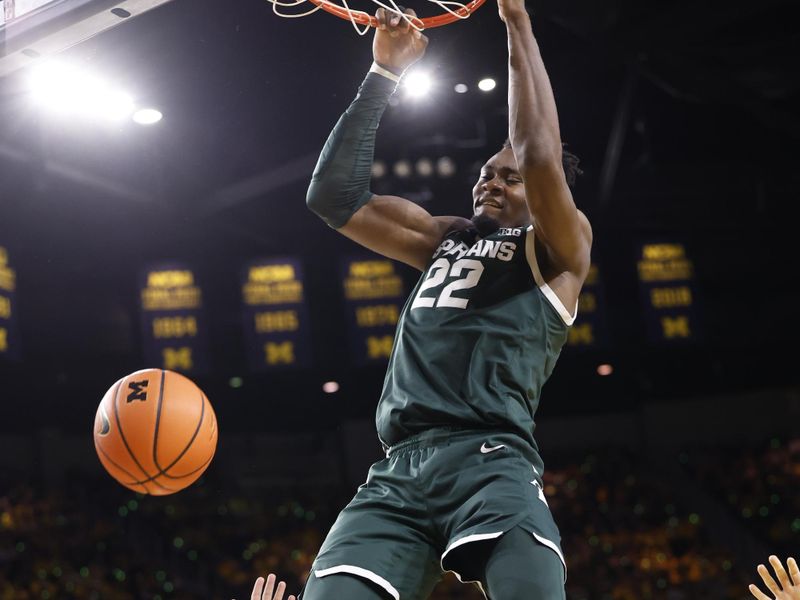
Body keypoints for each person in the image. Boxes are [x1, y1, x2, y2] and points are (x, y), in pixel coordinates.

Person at [274, 0, 591, 597]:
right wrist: (384, 74)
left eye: (509, 176)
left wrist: (516, 20)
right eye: (487, 172)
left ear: (549, 195)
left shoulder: (560, 248)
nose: (490, 180)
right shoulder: (445, 238)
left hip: (491, 460)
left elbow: (540, 153)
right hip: (396, 472)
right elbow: (333, 197)